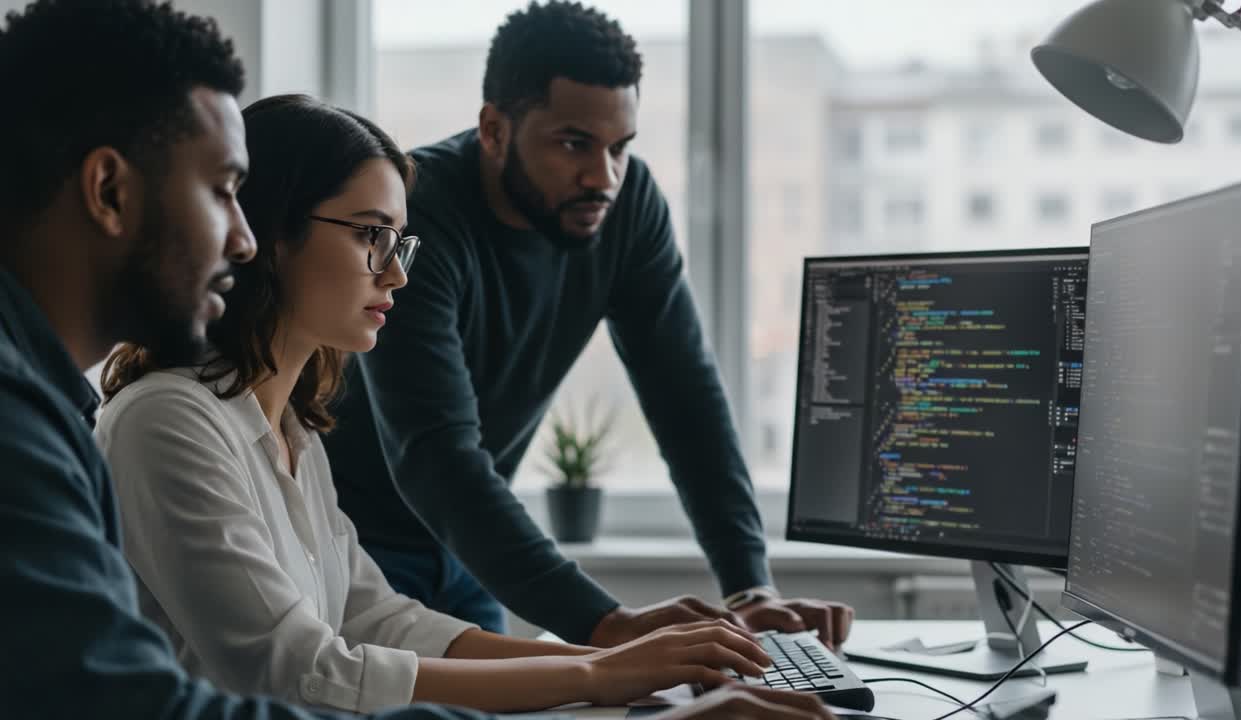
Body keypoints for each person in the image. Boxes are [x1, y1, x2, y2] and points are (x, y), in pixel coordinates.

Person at [0, 2, 833, 719]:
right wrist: (599, 657)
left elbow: (375, 618)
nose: (241, 237)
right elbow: (290, 667)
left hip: (426, 562)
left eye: (398, 242)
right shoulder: (141, 420)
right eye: (371, 239)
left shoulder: (281, 428)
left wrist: (627, 661)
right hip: (414, 518)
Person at [325, 0, 855, 649]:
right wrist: (608, 625)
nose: (602, 178)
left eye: (620, 148)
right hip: (351, 544)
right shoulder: (420, 215)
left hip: (465, 555)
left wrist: (749, 586)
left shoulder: (626, 210)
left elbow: (685, 399)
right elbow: (436, 456)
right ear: (494, 129)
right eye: (574, 144)